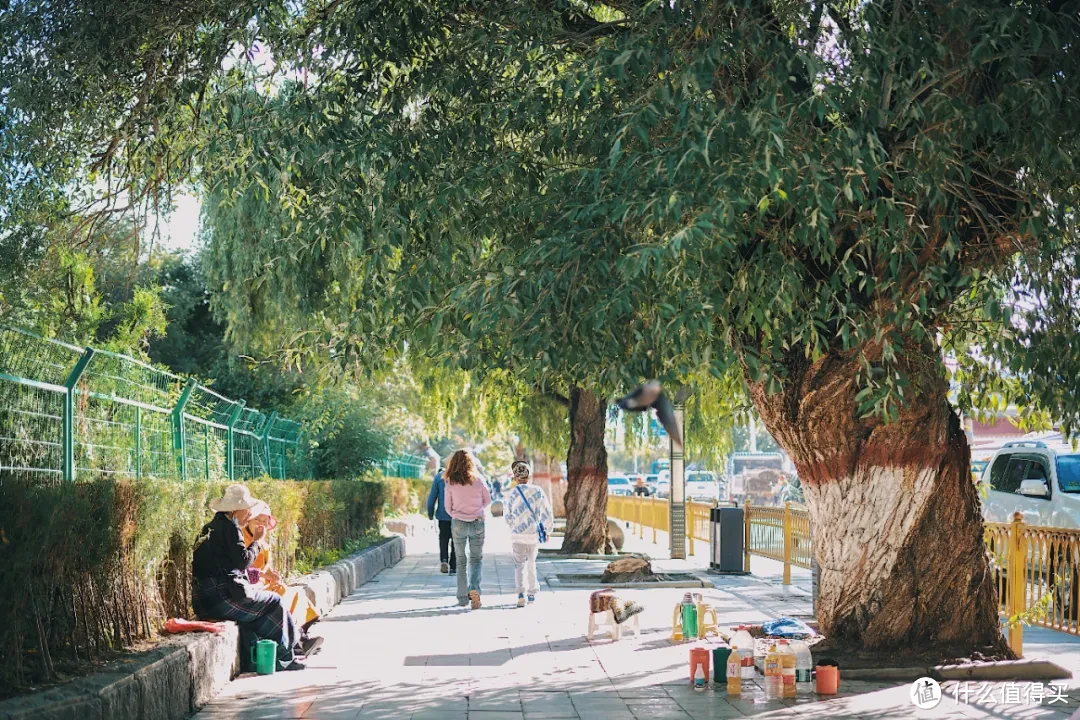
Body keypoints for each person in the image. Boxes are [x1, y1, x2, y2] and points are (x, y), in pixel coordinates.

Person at [191, 484, 303, 672]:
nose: (249, 514)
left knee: (258, 612)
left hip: (203, 599)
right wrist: (257, 541)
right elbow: (243, 562)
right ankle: (286, 655)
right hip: (223, 596)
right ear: (235, 510)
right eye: (248, 510)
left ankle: (276, 652)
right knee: (275, 601)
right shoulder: (231, 528)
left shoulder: (209, 528)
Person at [242, 501, 323, 656]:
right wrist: (264, 575)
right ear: (249, 520)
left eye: (264, 522)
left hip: (264, 584)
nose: (260, 524)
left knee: (296, 593)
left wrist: (271, 574)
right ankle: (298, 641)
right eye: (257, 520)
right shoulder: (243, 539)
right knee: (283, 597)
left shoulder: (263, 542)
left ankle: (300, 637)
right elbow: (243, 569)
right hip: (250, 587)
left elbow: (264, 567)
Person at [444, 449, 491, 609]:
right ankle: (474, 590)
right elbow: (487, 500)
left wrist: (458, 514)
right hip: (477, 522)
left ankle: (462, 597)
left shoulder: (450, 481)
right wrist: (476, 510)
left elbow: (447, 507)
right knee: (476, 559)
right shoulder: (478, 480)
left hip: (458, 523)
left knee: (461, 560)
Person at [503, 461, 553, 607]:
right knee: (531, 562)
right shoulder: (537, 491)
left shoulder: (510, 494)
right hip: (533, 534)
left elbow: (507, 515)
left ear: (515, 477)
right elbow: (547, 512)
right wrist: (548, 530)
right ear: (529, 476)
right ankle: (532, 593)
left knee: (519, 564)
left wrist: (514, 526)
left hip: (517, 535)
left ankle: (520, 594)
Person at [426, 466, 456, 574]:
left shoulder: (439, 477)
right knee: (456, 540)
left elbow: (432, 498)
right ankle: (453, 566)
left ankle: (444, 559)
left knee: (443, 538)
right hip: (458, 515)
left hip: (443, 515)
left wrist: (430, 512)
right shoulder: (461, 477)